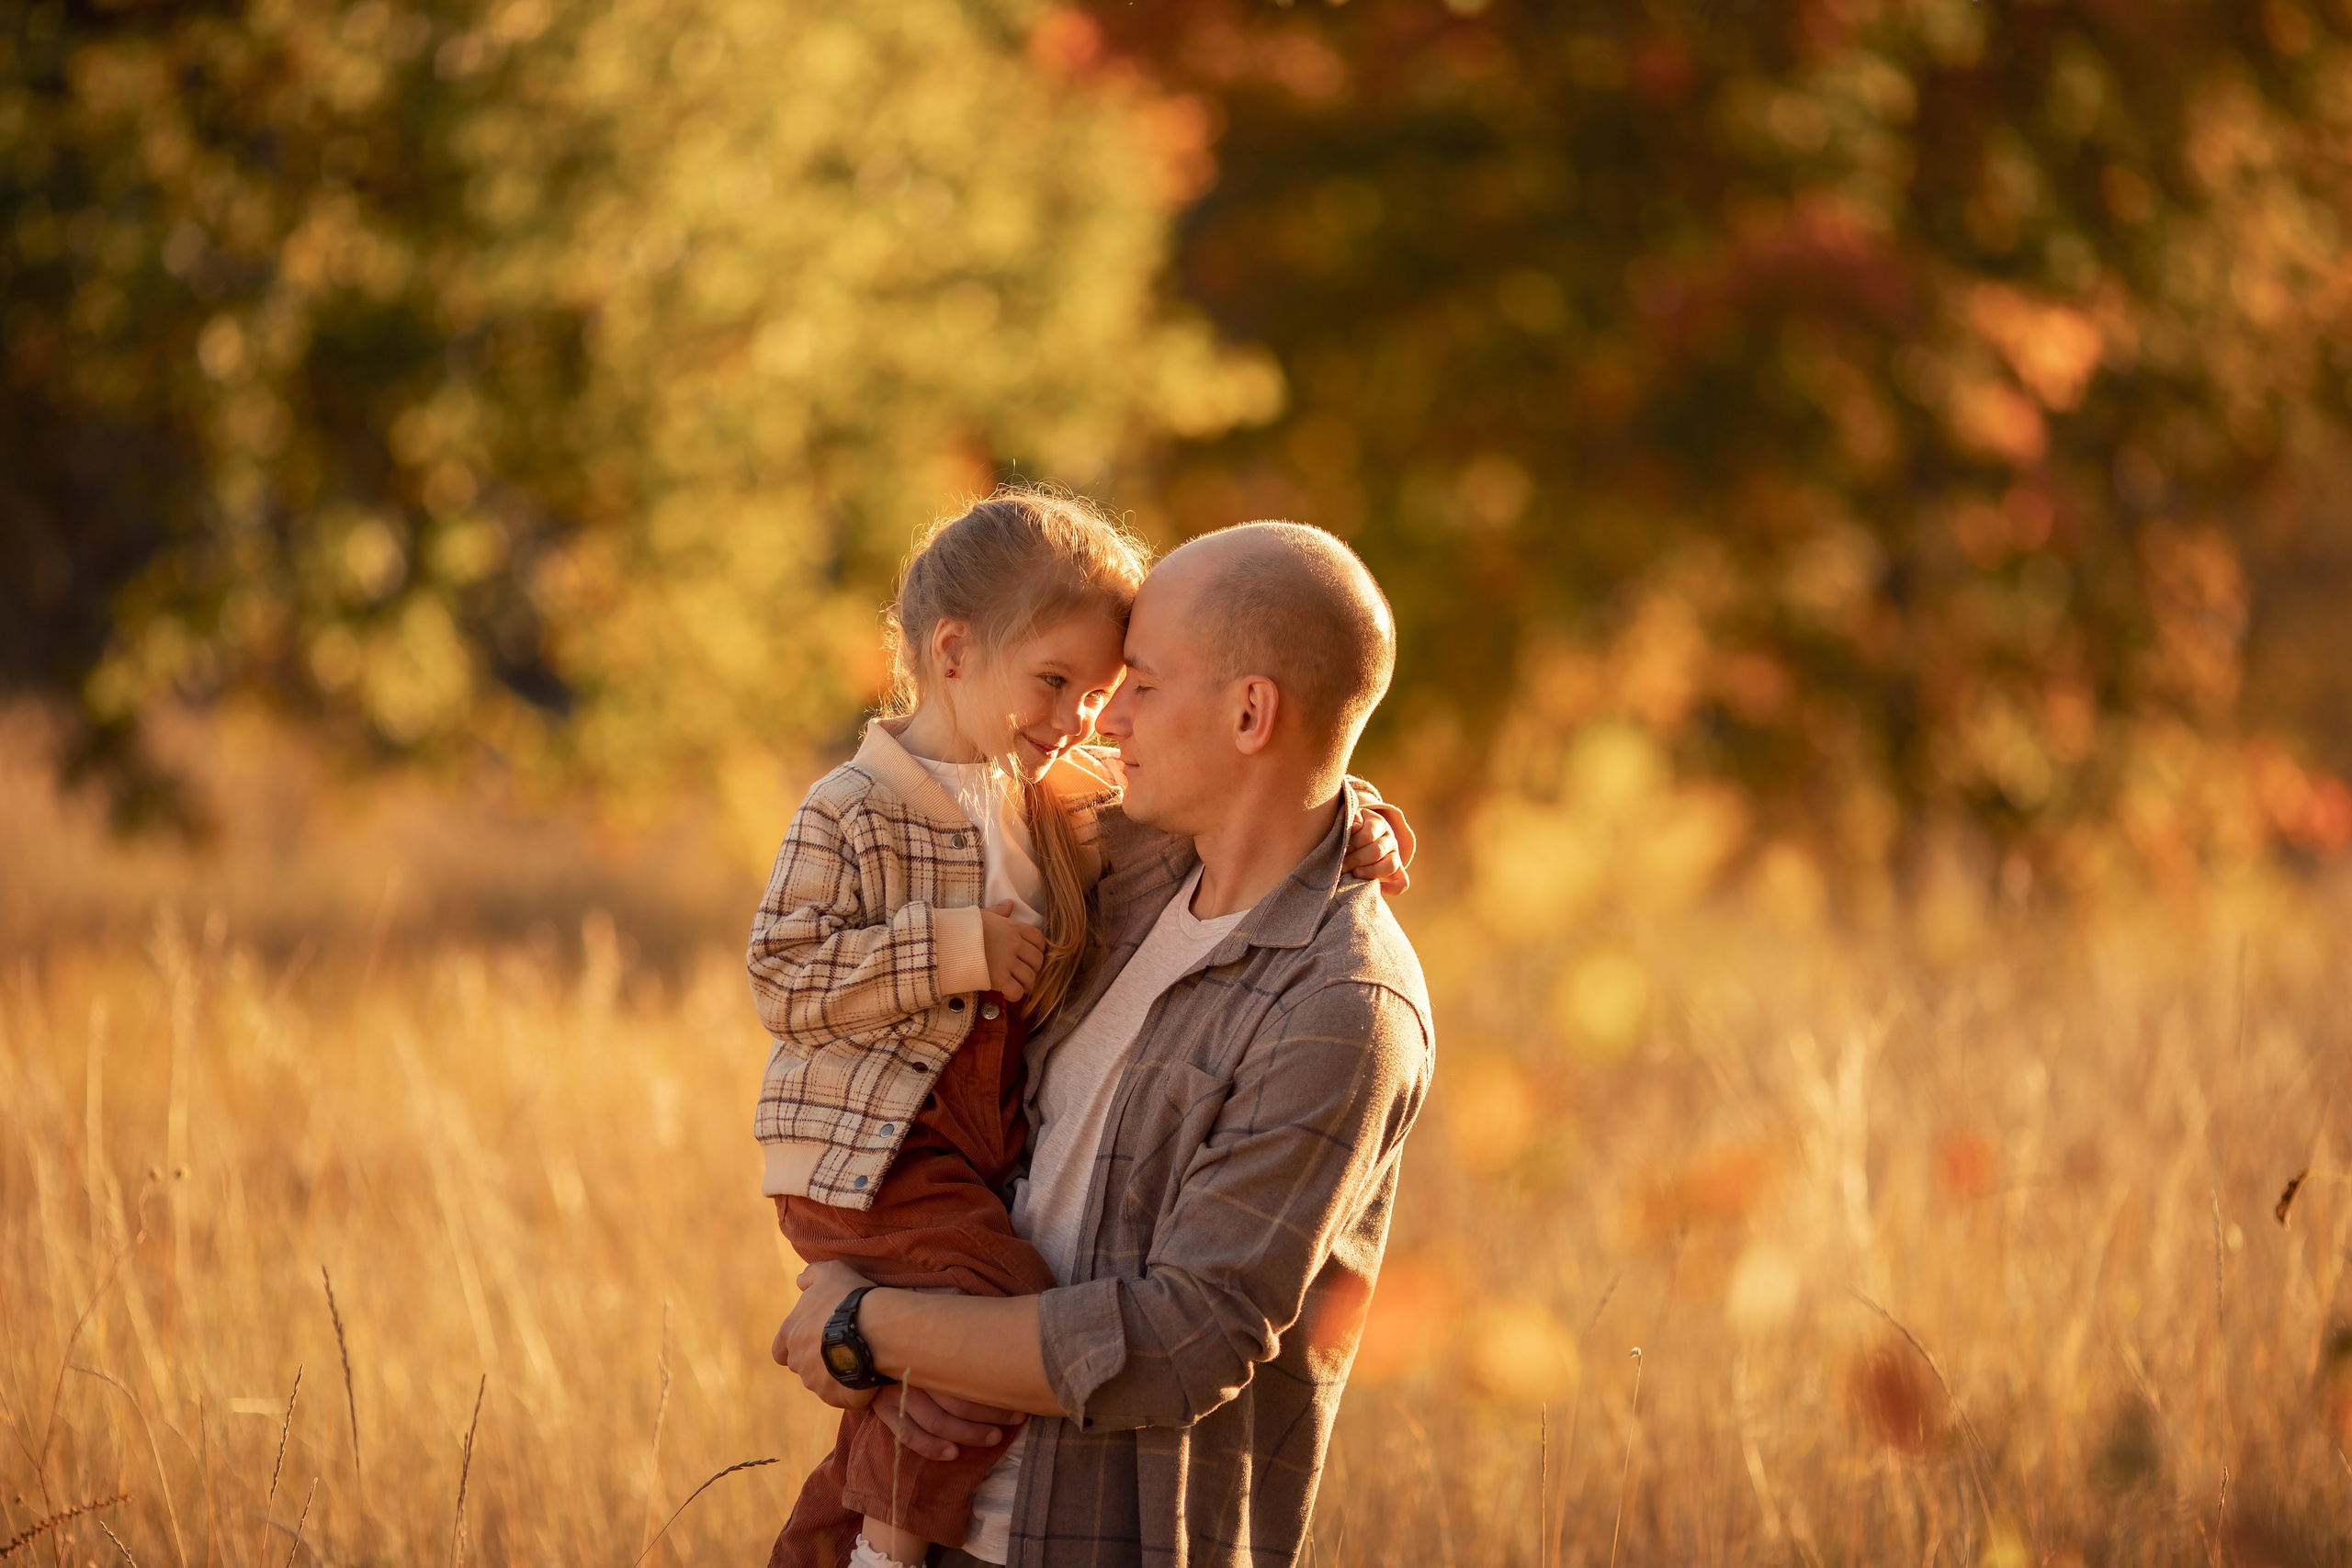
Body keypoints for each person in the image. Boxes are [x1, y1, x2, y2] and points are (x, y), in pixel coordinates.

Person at [748, 492, 1412, 1568]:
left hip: (1087, 1538)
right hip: (952, 1520)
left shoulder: (1338, 1007)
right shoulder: (1123, 866)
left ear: (1249, 714)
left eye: (1135, 685)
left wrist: (863, 1324)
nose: (1103, 723)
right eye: (1084, 686)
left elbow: (1184, 1342)